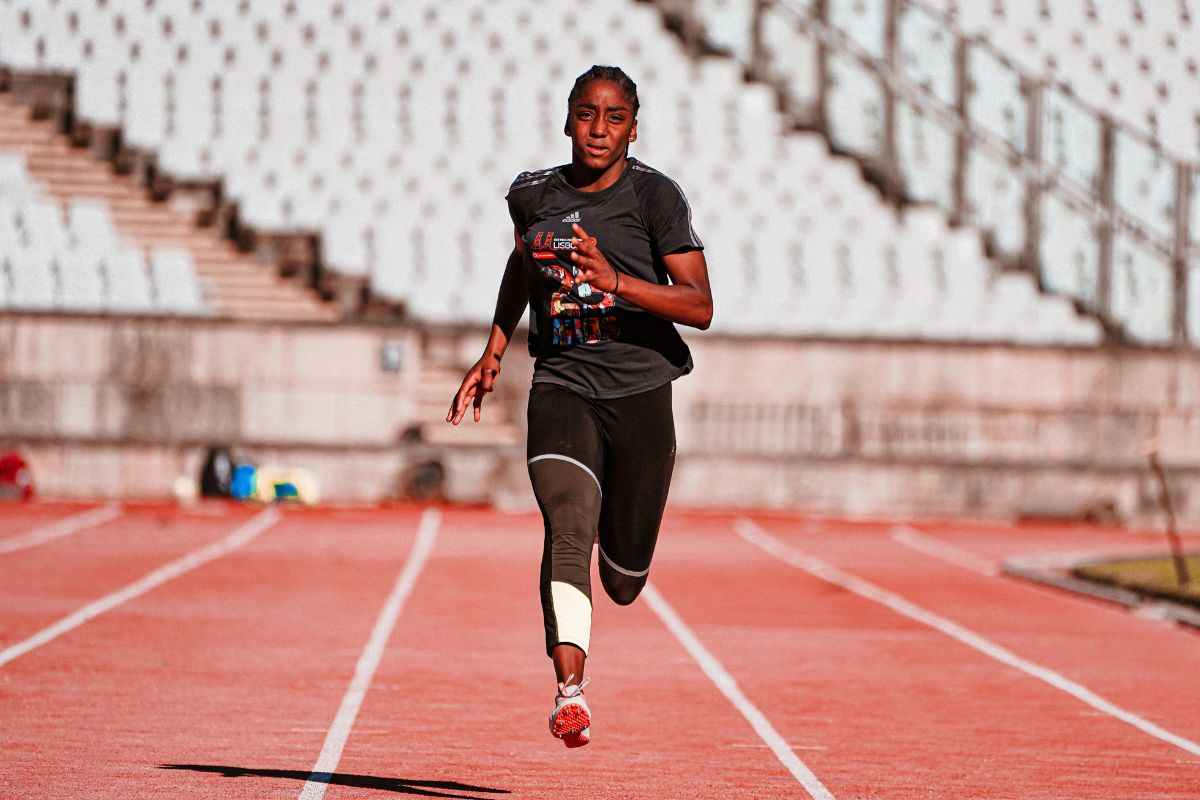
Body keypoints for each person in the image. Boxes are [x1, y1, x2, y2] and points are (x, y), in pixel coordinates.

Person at [446, 65, 713, 748]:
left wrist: (615, 281)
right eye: (586, 114)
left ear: (632, 127)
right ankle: (571, 694)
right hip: (562, 384)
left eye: (614, 117)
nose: (598, 129)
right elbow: (523, 263)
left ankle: (622, 571)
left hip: (640, 393)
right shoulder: (532, 195)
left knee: (623, 578)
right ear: (567, 119)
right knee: (567, 524)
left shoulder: (655, 198)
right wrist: (496, 347)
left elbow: (700, 305)